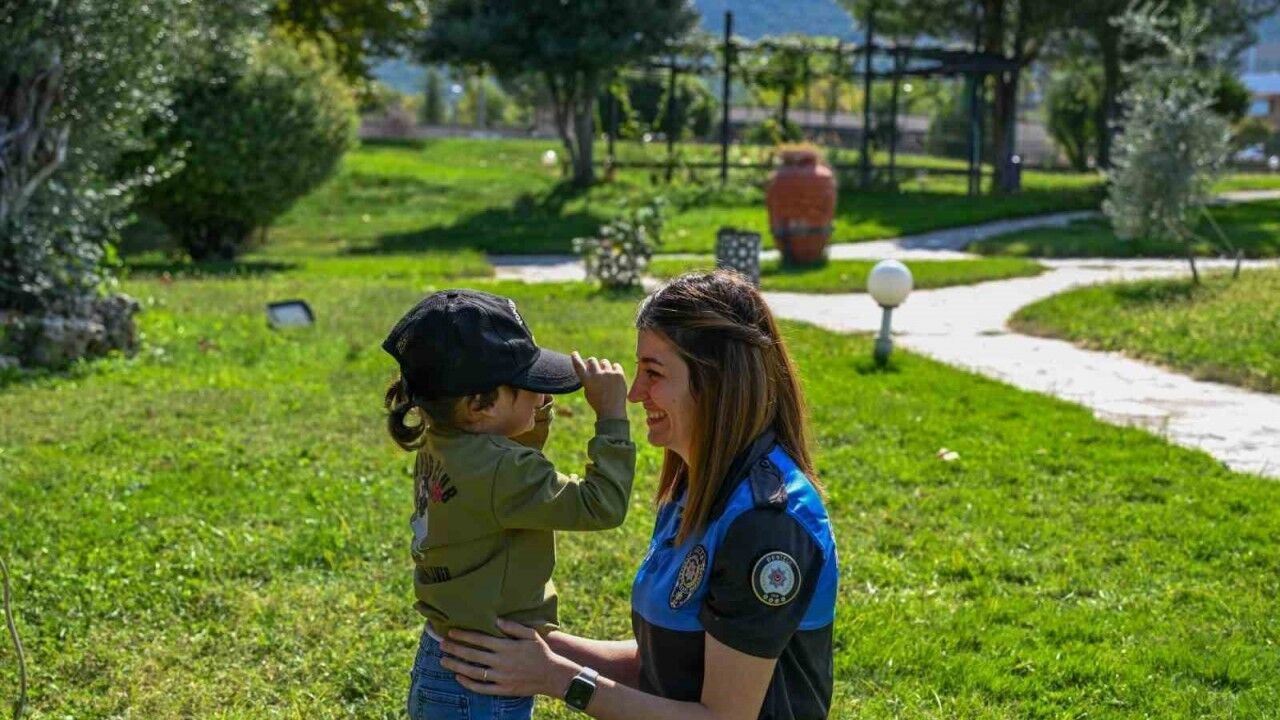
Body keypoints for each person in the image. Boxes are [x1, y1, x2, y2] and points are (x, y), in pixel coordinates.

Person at [436, 272, 839, 720]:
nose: (633, 393)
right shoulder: (697, 485)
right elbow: (665, 669)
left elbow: (722, 716)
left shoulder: (767, 526)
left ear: (716, 381)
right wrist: (532, 646)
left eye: (654, 373)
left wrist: (557, 678)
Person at [381, 289, 636, 720]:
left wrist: (535, 411)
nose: (538, 394)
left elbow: (509, 473)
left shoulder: (444, 439)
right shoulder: (502, 470)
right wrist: (611, 416)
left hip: (443, 659)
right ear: (479, 405)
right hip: (486, 679)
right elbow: (602, 505)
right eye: (527, 386)